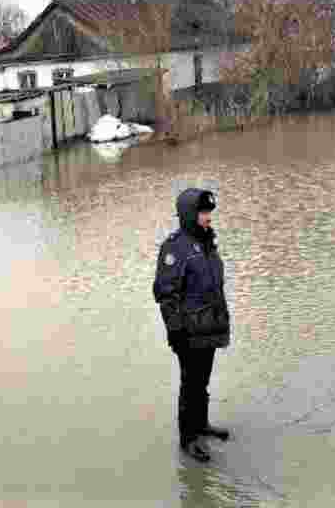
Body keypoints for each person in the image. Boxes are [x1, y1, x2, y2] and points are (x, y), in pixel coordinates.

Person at [152, 188, 231, 463]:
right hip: (188, 332)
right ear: (189, 215)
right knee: (191, 383)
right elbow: (165, 294)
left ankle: (201, 424)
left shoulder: (206, 242)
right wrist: (175, 331)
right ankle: (188, 439)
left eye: (209, 212)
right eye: (203, 212)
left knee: (202, 381)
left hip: (209, 326)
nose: (208, 217)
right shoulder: (175, 247)